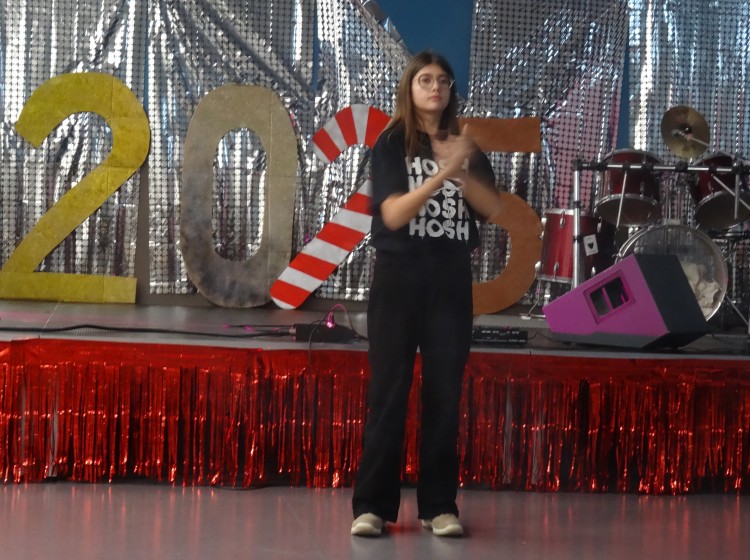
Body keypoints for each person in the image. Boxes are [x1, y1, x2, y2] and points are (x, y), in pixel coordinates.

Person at [350, 50, 503, 538]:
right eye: (425, 80)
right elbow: (394, 214)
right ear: (410, 89)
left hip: (449, 283)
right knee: (388, 393)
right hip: (399, 280)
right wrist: (440, 174)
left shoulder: (464, 145)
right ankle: (372, 507)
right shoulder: (393, 142)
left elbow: (492, 207)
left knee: (444, 397)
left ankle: (439, 506)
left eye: (443, 81)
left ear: (451, 90)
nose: (435, 88)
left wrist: (460, 170)